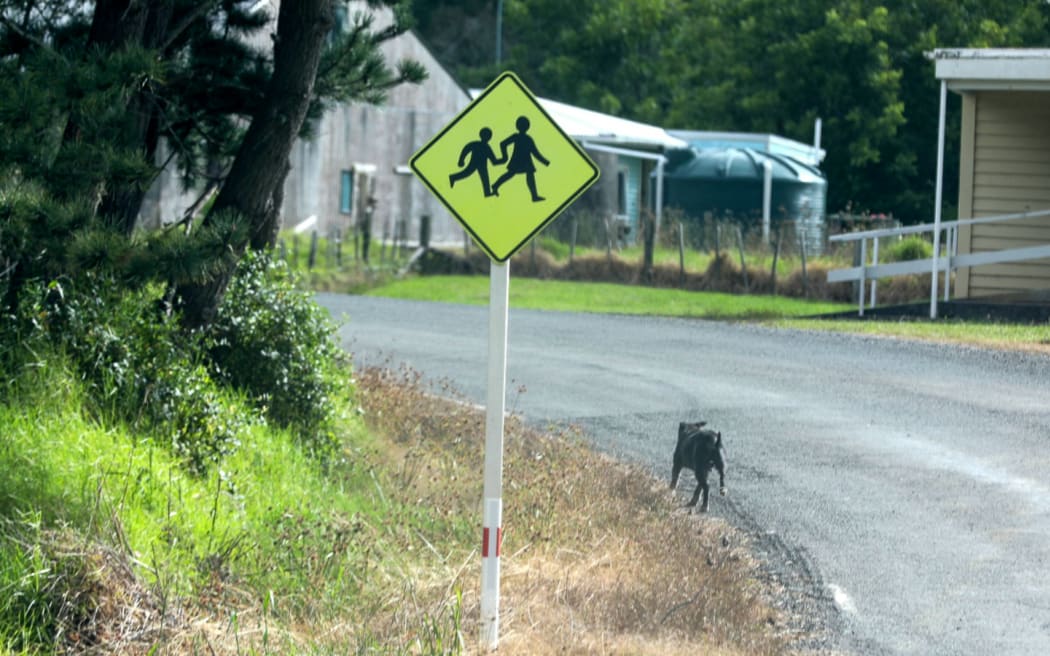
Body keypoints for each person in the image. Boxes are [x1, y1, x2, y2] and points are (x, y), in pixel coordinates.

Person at [491, 116, 549, 202]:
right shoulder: (519, 137)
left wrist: (545, 161)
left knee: (529, 174)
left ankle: (534, 196)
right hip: (518, 160)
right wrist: (505, 156)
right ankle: (495, 185)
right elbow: (503, 144)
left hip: (525, 160)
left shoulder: (527, 138)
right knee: (511, 174)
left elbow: (534, 152)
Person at [449, 127, 501, 197]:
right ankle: (453, 177)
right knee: (467, 173)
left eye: (488, 136)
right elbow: (466, 149)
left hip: (482, 165)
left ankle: (487, 192)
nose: (487, 137)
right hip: (475, 163)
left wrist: (502, 160)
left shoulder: (487, 147)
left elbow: (494, 161)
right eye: (486, 135)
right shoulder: (477, 144)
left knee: (484, 177)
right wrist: (461, 160)